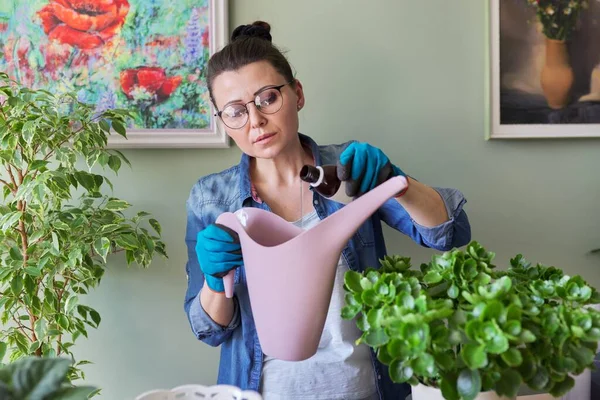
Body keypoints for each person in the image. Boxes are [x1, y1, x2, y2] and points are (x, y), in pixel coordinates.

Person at [184, 21, 471, 400]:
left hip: (368, 390)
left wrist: (395, 180)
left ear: (297, 94)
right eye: (235, 111)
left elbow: (448, 233)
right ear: (223, 120)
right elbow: (210, 329)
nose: (255, 121)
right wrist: (213, 278)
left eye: (267, 98)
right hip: (265, 391)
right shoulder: (211, 199)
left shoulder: (348, 169)